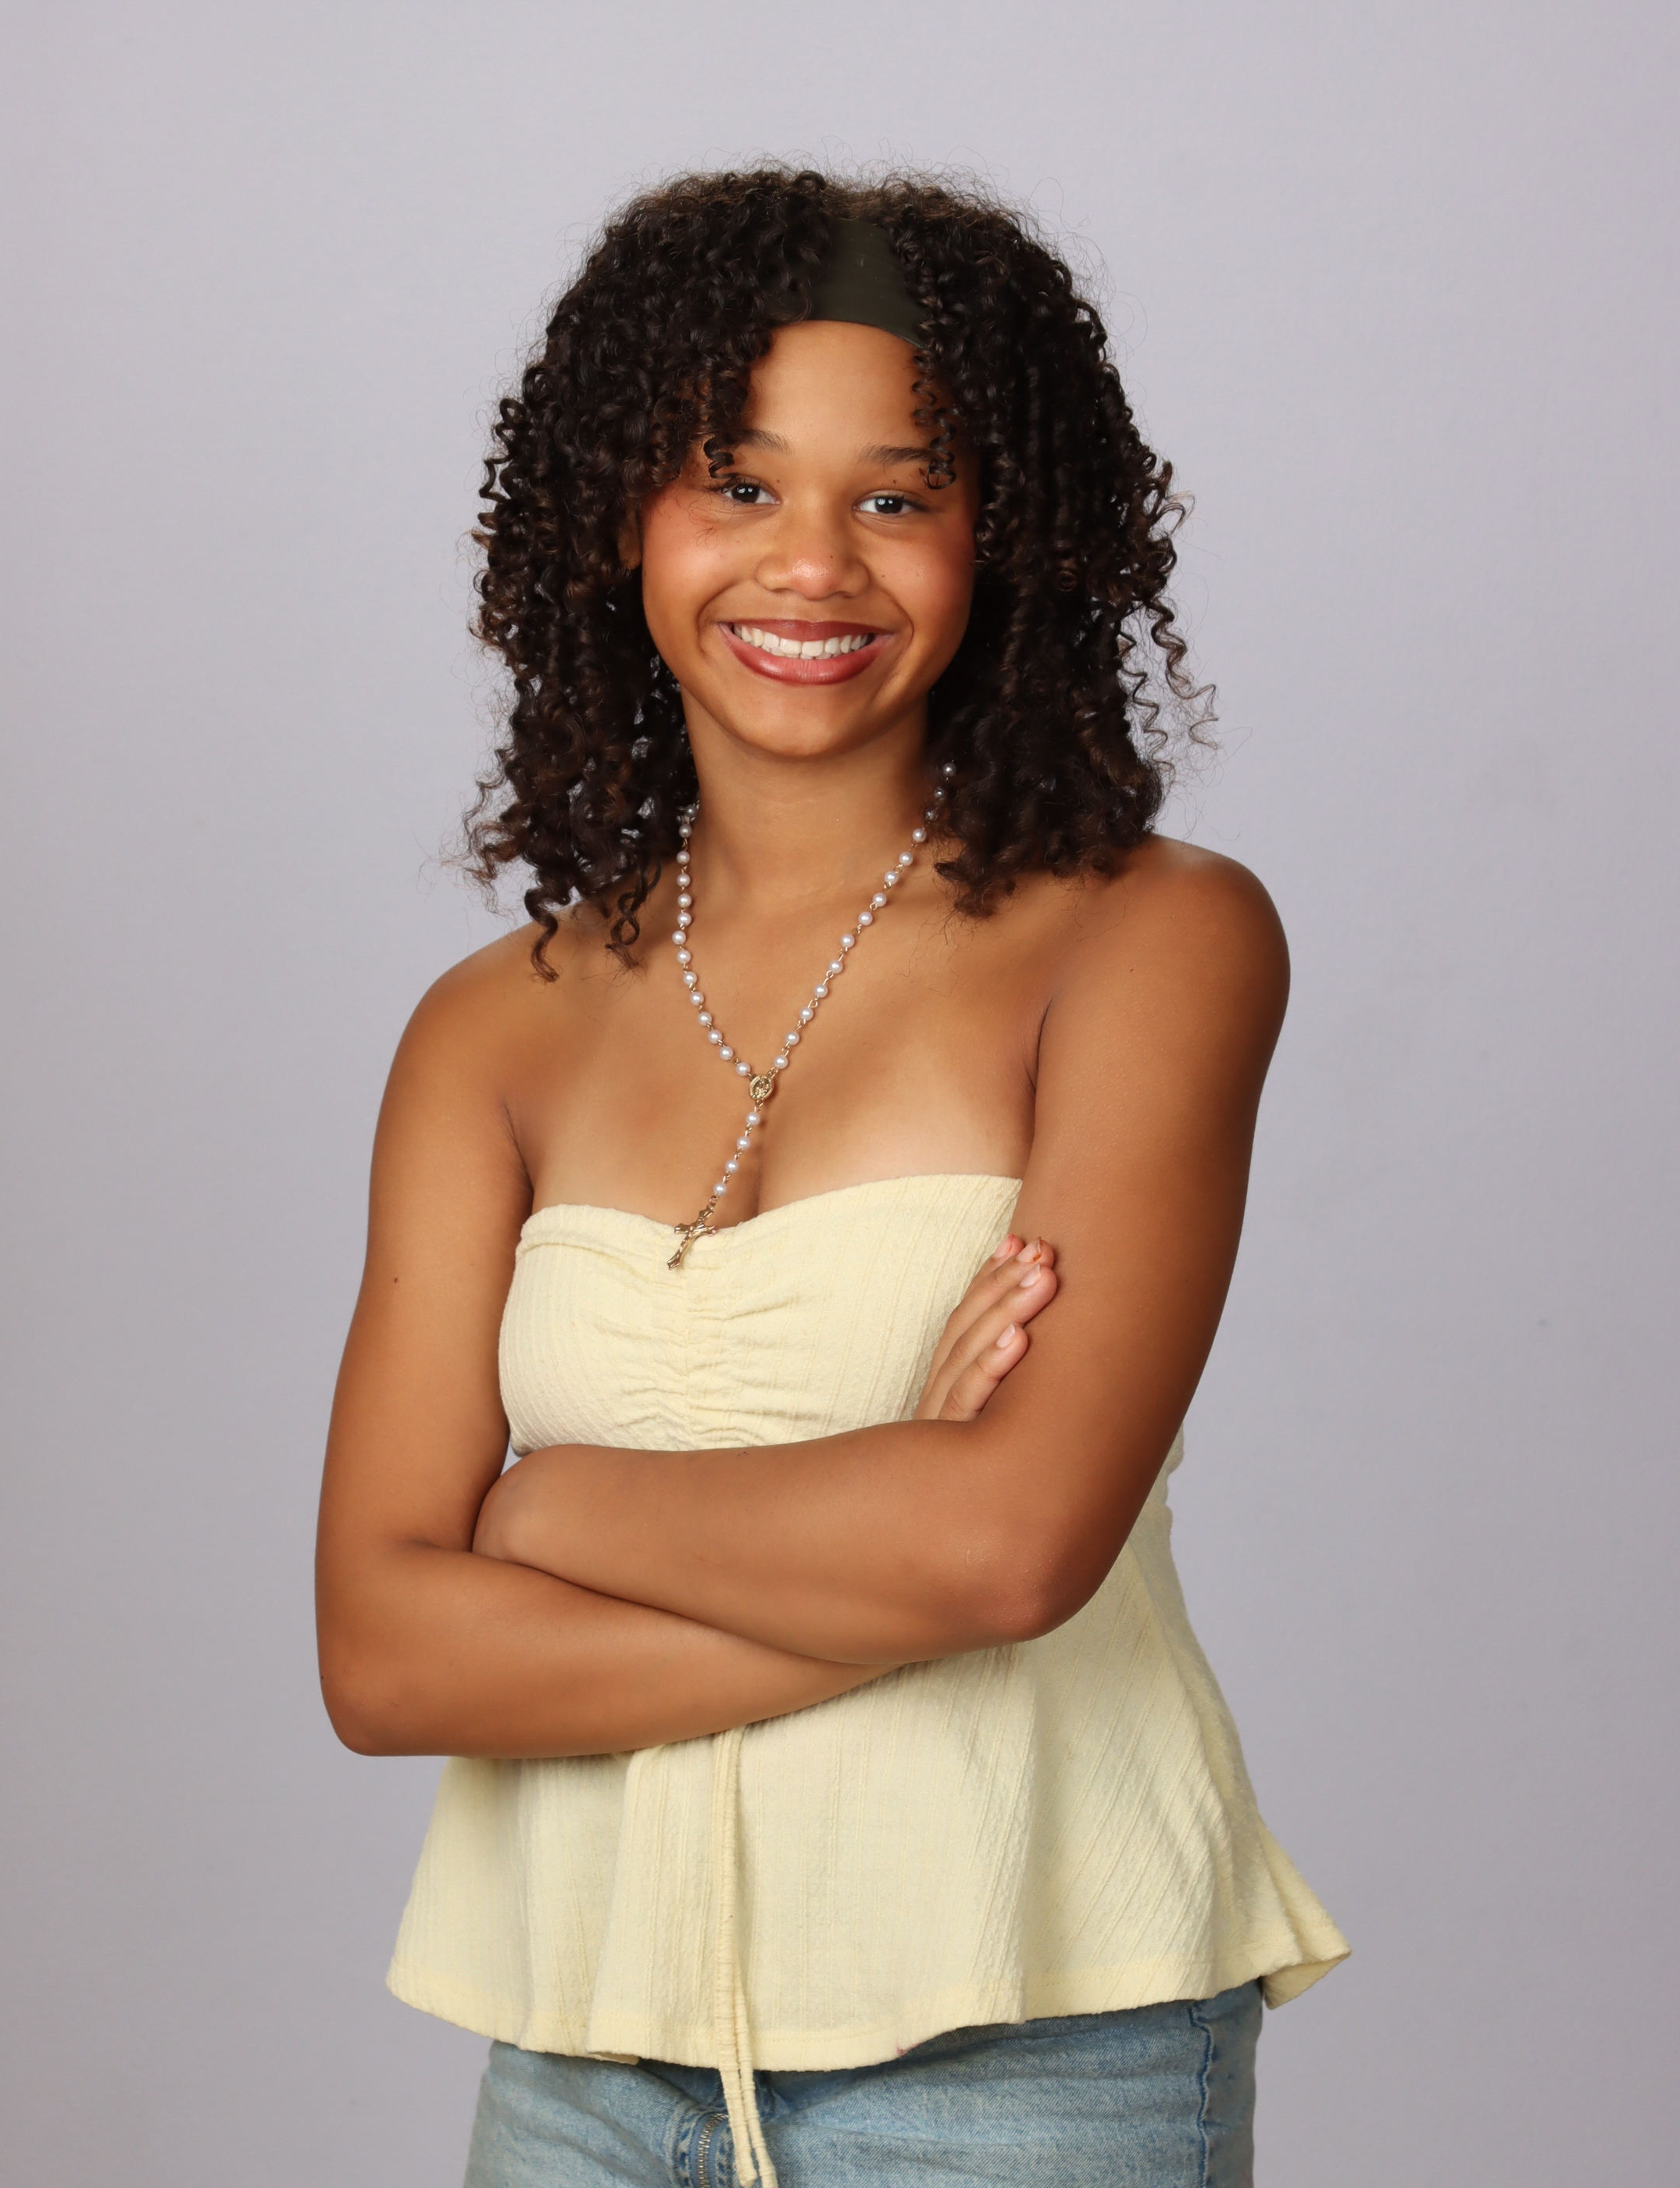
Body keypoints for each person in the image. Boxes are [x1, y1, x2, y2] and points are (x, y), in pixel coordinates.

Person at [315, 169, 1348, 2188]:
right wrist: (888, 1559)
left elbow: (1013, 1548)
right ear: (619, 518)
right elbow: (384, 1652)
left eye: (896, 495)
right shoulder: (489, 1032)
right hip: (581, 2077)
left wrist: (550, 1507)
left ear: (1002, 535)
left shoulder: (1153, 939)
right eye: (737, 482)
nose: (812, 563)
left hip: (1028, 2066)